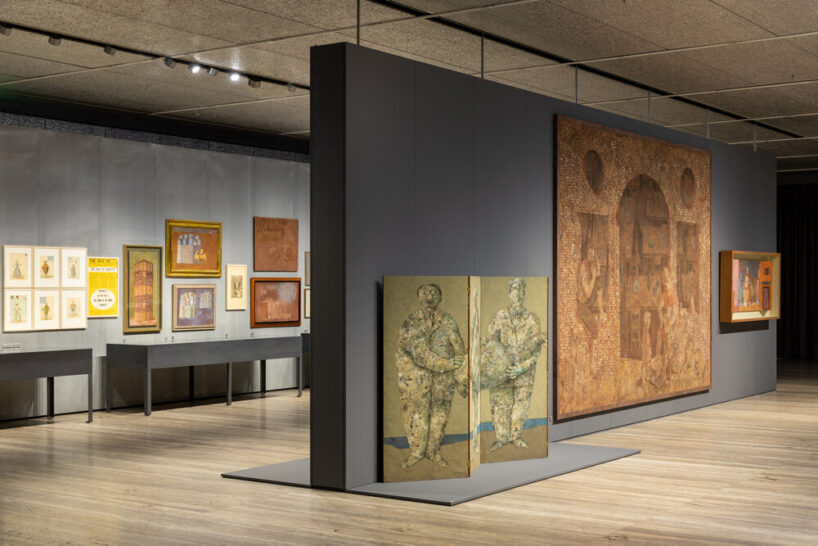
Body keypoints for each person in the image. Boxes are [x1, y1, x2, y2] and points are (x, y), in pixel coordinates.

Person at [395, 284, 466, 468]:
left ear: (440, 298)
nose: (429, 297)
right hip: (416, 380)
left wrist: (461, 377)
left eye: (433, 293)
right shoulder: (411, 322)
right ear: (418, 297)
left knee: (439, 417)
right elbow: (420, 354)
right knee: (416, 416)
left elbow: (459, 349)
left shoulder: (448, 320)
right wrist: (447, 364)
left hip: (443, 382)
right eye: (424, 293)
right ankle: (416, 454)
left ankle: (433, 452)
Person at [487, 278, 545, 451]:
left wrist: (524, 366)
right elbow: (491, 343)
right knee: (500, 407)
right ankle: (501, 439)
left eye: (520, 290)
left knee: (520, 408)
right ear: (508, 293)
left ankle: (516, 437)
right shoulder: (499, 317)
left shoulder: (532, 319)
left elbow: (537, 349)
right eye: (514, 290)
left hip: (525, 372)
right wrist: (499, 364)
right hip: (502, 372)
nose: (517, 294)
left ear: (524, 294)